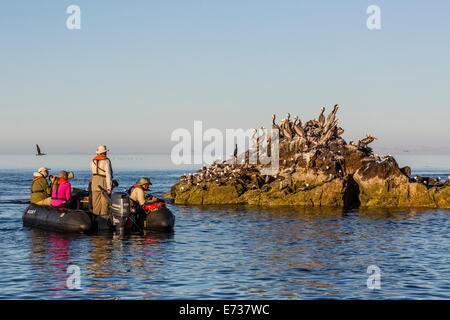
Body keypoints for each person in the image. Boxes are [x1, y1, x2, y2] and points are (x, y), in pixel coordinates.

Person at [89, 145, 113, 215]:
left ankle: (95, 219)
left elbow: (92, 171)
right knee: (104, 204)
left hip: (94, 182)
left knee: (95, 203)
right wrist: (109, 187)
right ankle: (103, 221)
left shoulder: (92, 160)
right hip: (103, 181)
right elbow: (108, 174)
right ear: (104, 152)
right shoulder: (106, 160)